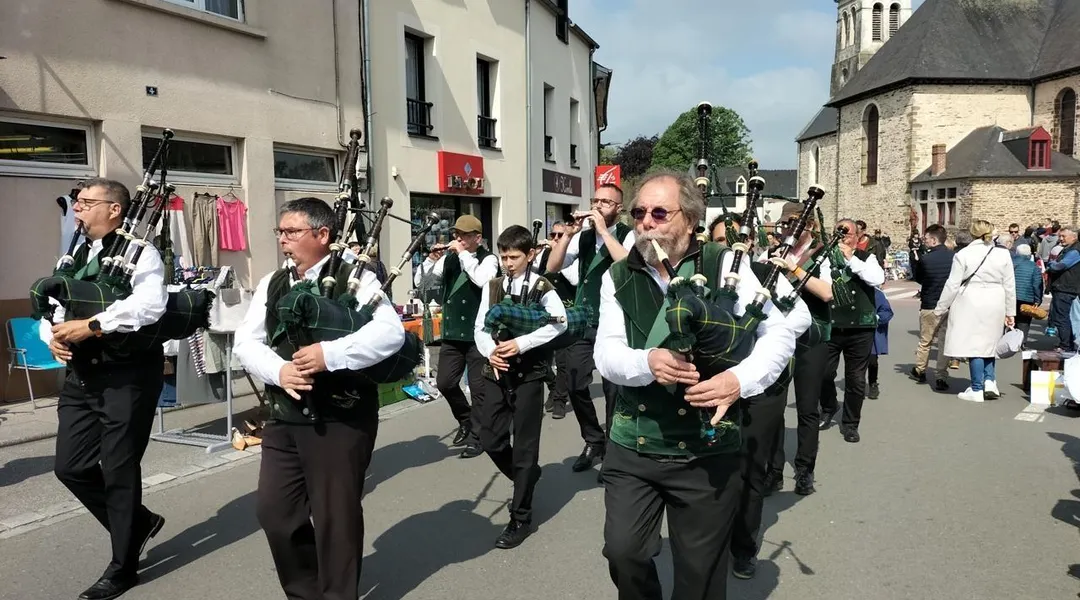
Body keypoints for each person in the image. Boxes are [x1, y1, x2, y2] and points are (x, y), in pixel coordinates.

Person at [594, 170, 809, 598]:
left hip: (706, 450)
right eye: (638, 213)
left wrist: (737, 380)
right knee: (623, 553)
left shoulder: (727, 264)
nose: (645, 223)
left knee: (700, 573)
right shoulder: (617, 276)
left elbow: (780, 332)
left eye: (659, 212)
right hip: (634, 443)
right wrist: (647, 361)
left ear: (690, 220)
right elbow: (607, 353)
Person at [234, 198, 406, 600]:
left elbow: (390, 333)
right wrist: (278, 371)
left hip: (340, 417)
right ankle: (305, 592)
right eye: (280, 232)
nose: (283, 241)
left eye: (291, 232)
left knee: (335, 519)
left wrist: (329, 355)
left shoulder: (357, 278)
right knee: (275, 513)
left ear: (322, 235)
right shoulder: (274, 281)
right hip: (284, 415)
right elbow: (246, 340)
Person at [41, 178, 168, 600]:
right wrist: (53, 337)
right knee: (70, 467)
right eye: (77, 202)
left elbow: (151, 305)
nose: (77, 208)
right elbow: (52, 304)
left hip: (127, 374)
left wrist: (93, 325)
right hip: (81, 373)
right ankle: (140, 522)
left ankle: (123, 567)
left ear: (114, 209)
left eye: (86, 202)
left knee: (118, 470)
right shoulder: (75, 251)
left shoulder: (140, 252)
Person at [473, 225, 568, 549]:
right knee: (490, 437)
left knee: (526, 448)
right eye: (503, 256)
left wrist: (522, 343)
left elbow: (559, 322)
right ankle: (525, 478)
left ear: (530, 255)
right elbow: (480, 326)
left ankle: (520, 517)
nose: (508, 262)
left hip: (529, 374)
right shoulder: (494, 286)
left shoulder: (542, 286)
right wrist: (491, 351)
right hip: (497, 371)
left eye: (514, 256)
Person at [545, 184, 636, 476]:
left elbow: (629, 263)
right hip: (584, 318)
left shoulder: (627, 234)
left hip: (616, 320)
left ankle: (612, 449)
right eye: (596, 201)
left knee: (613, 391)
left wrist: (604, 232)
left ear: (618, 208)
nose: (598, 206)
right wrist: (567, 236)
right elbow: (553, 266)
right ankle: (593, 440)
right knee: (574, 382)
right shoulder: (582, 237)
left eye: (606, 202)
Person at [413, 215, 499, 458]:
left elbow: (483, 281)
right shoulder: (450, 258)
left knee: (479, 387)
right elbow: (425, 283)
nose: (457, 238)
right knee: (445, 383)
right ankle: (466, 419)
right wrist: (431, 260)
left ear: (477, 238)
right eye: (456, 234)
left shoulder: (489, 259)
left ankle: (478, 437)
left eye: (463, 235)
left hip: (477, 334)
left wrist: (462, 255)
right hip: (452, 333)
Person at [819, 218, 886, 443]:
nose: (843, 238)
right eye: (839, 234)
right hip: (832, 325)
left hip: (860, 327)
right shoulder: (824, 259)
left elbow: (877, 279)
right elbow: (822, 286)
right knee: (824, 373)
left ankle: (850, 423)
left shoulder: (868, 258)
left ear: (857, 237)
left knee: (856, 379)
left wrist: (850, 257)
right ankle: (829, 407)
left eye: (847, 234)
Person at [934, 219, 1015, 402]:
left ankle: (977, 388)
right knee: (990, 343)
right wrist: (1010, 312)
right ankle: (990, 381)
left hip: (970, 299)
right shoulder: (1003, 255)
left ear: (972, 234)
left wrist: (941, 307)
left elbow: (952, 284)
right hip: (996, 299)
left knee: (974, 345)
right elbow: (1010, 285)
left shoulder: (963, 254)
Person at [910, 224, 954, 390]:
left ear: (934, 240)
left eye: (927, 238)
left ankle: (920, 370)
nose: (925, 241)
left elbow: (919, 278)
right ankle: (941, 376)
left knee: (925, 340)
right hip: (949, 304)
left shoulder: (926, 258)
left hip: (930, 303)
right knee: (943, 342)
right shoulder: (954, 257)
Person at [1045, 226, 1080, 352]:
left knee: (1062, 318)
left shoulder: (1075, 251)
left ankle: (1066, 345)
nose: (1060, 239)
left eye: (1063, 236)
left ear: (1073, 237)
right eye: (1060, 236)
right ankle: (1066, 343)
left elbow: (1060, 266)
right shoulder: (1068, 249)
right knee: (1061, 317)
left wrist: (1051, 264)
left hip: (1065, 288)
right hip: (1063, 287)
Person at [1012, 243, 1044, 347]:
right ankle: (1021, 343)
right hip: (1027, 297)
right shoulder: (1033, 266)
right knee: (1024, 322)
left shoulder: (1009, 262)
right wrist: (1038, 299)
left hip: (1010, 296)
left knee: (1009, 318)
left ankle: (1007, 341)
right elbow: (1037, 284)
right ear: (1029, 254)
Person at [868, 287, 894, 399]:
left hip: (871, 332)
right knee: (855, 364)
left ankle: (873, 383)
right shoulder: (850, 290)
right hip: (853, 332)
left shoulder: (877, 293)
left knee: (872, 360)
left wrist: (877, 317)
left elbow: (886, 311)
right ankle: (855, 385)